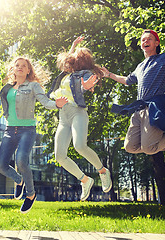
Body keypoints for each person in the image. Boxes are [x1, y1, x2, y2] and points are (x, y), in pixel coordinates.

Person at [102, 0, 165, 168]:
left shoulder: (164, 58)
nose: (144, 41)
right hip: (139, 109)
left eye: (149, 39)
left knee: (149, 148)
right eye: (142, 40)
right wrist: (109, 74)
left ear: (156, 43)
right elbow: (127, 80)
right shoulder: (140, 67)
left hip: (154, 107)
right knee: (130, 146)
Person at [0, 57, 68, 213]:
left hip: (27, 130)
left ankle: (30, 194)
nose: (20, 67)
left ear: (28, 70)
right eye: (17, 65)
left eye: (24, 66)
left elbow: (44, 101)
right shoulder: (6, 88)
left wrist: (56, 104)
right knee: (0, 165)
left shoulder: (33, 86)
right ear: (13, 69)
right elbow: (3, 105)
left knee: (22, 159)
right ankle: (19, 180)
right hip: (10, 130)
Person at [47, 37, 112, 202]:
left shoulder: (85, 74)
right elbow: (64, 62)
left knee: (80, 146)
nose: (73, 56)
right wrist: (73, 45)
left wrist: (85, 87)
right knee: (60, 156)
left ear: (82, 60)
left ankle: (102, 171)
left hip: (77, 113)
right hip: (63, 116)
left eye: (77, 54)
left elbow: (83, 86)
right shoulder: (66, 74)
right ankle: (85, 180)